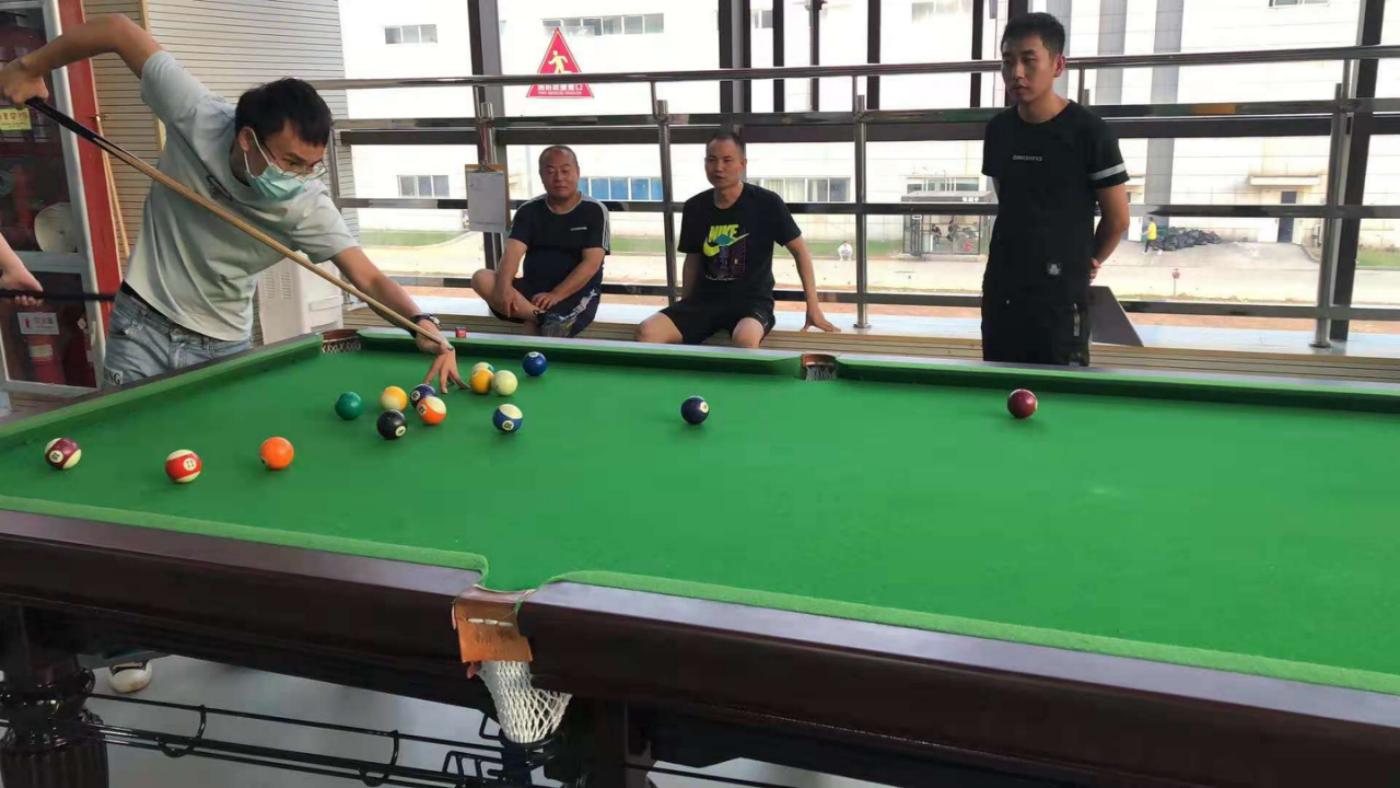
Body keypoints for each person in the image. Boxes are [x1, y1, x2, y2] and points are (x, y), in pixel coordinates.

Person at [0, 13, 464, 693]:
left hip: (225, 343)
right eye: (289, 162)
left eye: (311, 166)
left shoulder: (306, 206)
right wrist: (30, 66)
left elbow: (364, 276)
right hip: (143, 322)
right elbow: (121, 30)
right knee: (130, 479)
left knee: (218, 486)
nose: (299, 177)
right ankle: (124, 639)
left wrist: (422, 321)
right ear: (247, 140)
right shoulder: (200, 114)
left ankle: (223, 620)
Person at [980, 12, 1129, 366]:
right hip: (1003, 287)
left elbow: (1117, 219)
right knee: (1000, 382)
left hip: (1061, 295)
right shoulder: (999, 130)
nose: (1016, 72)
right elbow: (1008, 196)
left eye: (1029, 60)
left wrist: (1088, 259)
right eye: (1008, 61)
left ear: (1058, 65)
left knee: (1062, 385)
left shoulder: (1090, 132)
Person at [636, 130, 838, 347]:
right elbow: (692, 260)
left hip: (751, 305)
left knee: (745, 339)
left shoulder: (766, 203)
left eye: (727, 160)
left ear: (743, 164)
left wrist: (813, 307)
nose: (718, 167)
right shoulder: (695, 206)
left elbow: (800, 251)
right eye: (712, 160)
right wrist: (685, 306)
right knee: (647, 331)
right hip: (704, 302)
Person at [470, 145, 607, 337]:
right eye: (550, 172)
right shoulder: (528, 210)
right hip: (531, 291)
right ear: (541, 176)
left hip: (575, 293)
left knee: (536, 330)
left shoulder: (594, 210)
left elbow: (591, 264)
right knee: (481, 278)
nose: (558, 177)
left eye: (565, 171)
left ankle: (542, 320)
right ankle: (543, 317)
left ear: (577, 172)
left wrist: (556, 294)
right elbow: (512, 254)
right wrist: (504, 286)